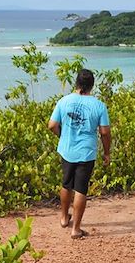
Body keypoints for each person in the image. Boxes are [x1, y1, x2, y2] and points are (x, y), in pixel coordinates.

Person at [47, 68, 111, 239]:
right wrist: (107, 153)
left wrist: (63, 136)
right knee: (81, 189)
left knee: (66, 183)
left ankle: (63, 218)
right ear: (92, 85)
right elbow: (104, 132)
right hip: (86, 152)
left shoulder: (64, 101)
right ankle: (76, 229)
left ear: (76, 83)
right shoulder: (99, 105)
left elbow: (52, 125)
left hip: (67, 149)